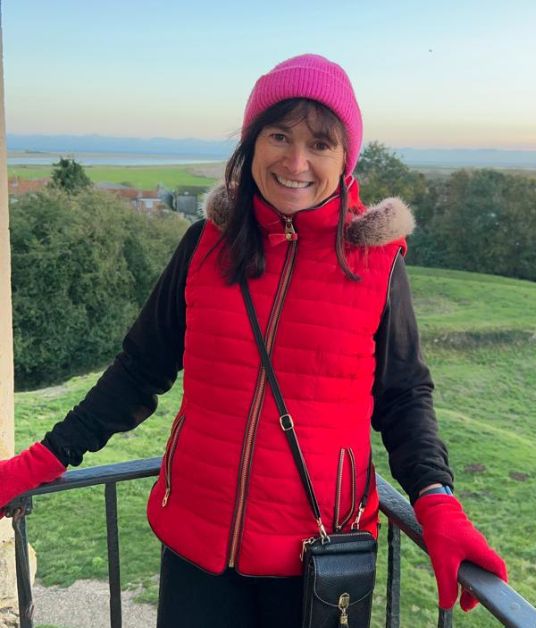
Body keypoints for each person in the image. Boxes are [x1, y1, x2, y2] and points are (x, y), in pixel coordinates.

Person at [0, 54, 507, 626]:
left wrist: (436, 499)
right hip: (198, 552)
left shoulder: (378, 264)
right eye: (279, 135)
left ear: (346, 159)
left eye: (320, 143)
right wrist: (41, 459)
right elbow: (139, 371)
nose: (296, 161)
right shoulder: (203, 247)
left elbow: (404, 394)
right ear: (251, 145)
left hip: (316, 562)